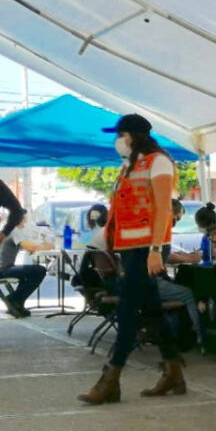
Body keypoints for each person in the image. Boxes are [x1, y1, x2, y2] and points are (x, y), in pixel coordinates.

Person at [78, 113, 187, 404]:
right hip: (130, 248)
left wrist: (155, 250)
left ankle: (110, 379)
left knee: (127, 309)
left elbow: (164, 208)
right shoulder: (128, 165)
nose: (118, 141)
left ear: (133, 136)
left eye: (121, 135)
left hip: (148, 248)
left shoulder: (158, 161)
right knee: (151, 309)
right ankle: (174, 371)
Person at [155, 199, 205, 348]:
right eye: (176, 219)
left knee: (180, 283)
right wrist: (190, 258)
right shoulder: (159, 229)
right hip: (150, 283)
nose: (175, 223)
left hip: (138, 281)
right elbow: (164, 256)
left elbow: (165, 254)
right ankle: (200, 336)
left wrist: (185, 256)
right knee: (188, 294)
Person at [0, 180, 50, 318]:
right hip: (4, 269)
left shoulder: (12, 231)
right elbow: (31, 247)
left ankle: (17, 302)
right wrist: (50, 245)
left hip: (5, 268)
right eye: (24, 216)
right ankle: (14, 299)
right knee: (39, 270)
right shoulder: (14, 232)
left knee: (29, 273)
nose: (26, 219)